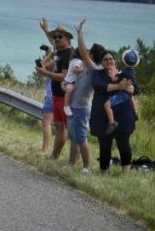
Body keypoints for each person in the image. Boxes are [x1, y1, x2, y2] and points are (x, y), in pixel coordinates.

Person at [76, 20, 137, 172]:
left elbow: (134, 90)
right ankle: (104, 172)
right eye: (105, 59)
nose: (108, 61)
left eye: (111, 59)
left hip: (124, 114)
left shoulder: (124, 73)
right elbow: (99, 86)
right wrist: (80, 33)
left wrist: (130, 93)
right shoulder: (98, 74)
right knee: (105, 144)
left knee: (124, 144)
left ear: (114, 60)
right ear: (101, 62)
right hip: (103, 116)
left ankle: (126, 174)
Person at [37, 19, 73, 160]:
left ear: (68, 39)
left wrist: (46, 73)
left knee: (63, 128)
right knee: (59, 127)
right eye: (55, 36)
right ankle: (54, 156)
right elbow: (53, 48)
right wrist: (46, 30)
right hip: (57, 95)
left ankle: (54, 155)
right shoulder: (59, 53)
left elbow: (64, 76)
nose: (57, 39)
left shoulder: (68, 54)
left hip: (65, 97)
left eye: (60, 36)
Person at [61, 43, 93, 172]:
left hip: (81, 107)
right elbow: (69, 81)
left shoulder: (91, 70)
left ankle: (86, 167)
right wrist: (65, 85)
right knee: (74, 138)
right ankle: (71, 164)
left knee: (81, 138)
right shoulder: (80, 64)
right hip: (74, 106)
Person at [103, 50, 140, 133]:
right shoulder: (133, 72)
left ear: (124, 61)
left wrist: (111, 71)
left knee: (106, 105)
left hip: (123, 94)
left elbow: (113, 79)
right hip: (129, 94)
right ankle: (135, 112)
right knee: (131, 98)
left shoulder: (124, 72)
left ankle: (112, 122)